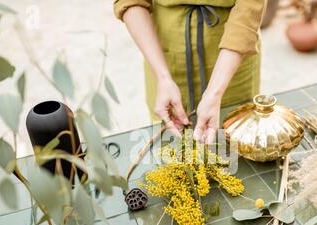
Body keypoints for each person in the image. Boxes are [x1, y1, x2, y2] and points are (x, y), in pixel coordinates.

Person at [113, 0, 266, 144]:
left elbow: (249, 5)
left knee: (235, 151)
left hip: (232, 60)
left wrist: (215, 93)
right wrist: (163, 77)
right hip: (163, 56)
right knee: (170, 152)